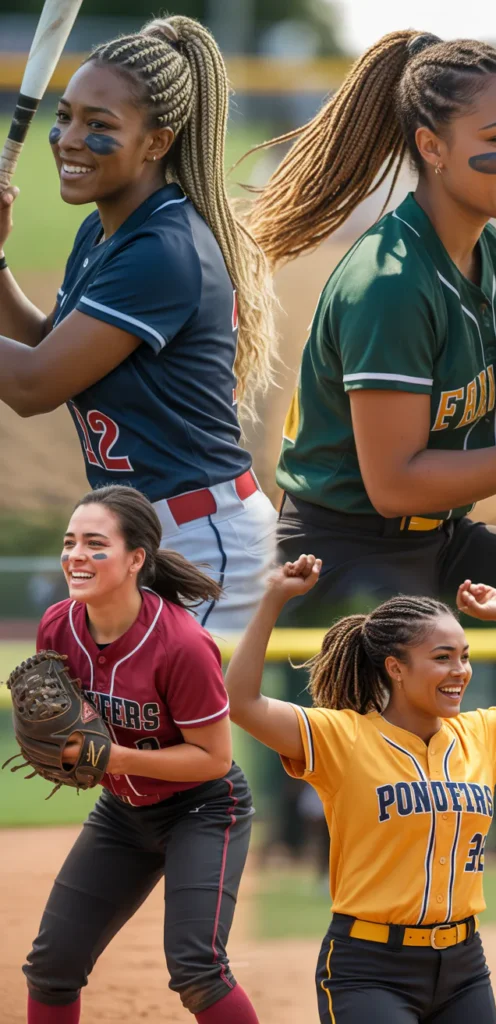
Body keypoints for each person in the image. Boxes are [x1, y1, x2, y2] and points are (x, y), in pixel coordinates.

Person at [246, 29, 496, 625]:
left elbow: (479, 424)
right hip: (341, 557)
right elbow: (395, 485)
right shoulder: (390, 282)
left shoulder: (489, 251)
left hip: (440, 539)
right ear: (432, 146)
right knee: (436, 667)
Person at [0, 15, 278, 633]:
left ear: (157, 142)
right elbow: (51, 351)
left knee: (179, 731)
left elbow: (33, 385)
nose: (69, 138)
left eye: (99, 126)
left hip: (203, 544)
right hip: (147, 531)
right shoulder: (107, 229)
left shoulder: (163, 248)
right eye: (66, 116)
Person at [226, 553, 496, 1022]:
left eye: (465, 656)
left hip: (465, 964)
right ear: (396, 667)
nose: (461, 671)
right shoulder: (341, 736)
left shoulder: (482, 734)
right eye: (442, 657)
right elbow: (242, 702)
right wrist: (273, 598)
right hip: (369, 967)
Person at [23, 484, 259, 1024]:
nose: (76, 555)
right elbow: (64, 727)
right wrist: (61, 749)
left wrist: (113, 759)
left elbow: (213, 759)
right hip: (123, 814)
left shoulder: (181, 644)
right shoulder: (57, 625)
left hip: (202, 808)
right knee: (53, 963)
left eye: (95, 543)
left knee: (198, 968)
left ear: (135, 559)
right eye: (70, 542)